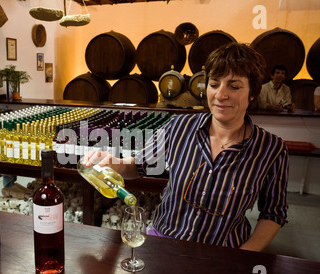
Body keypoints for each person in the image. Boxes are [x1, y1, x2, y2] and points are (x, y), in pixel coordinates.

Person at [83, 42, 289, 252]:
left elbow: (273, 213)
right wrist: (115, 163)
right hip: (164, 242)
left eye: (234, 86)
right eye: (214, 84)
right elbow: (139, 165)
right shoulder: (180, 127)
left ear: (252, 93)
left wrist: (245, 254)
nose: (220, 94)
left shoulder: (271, 149)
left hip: (223, 253)